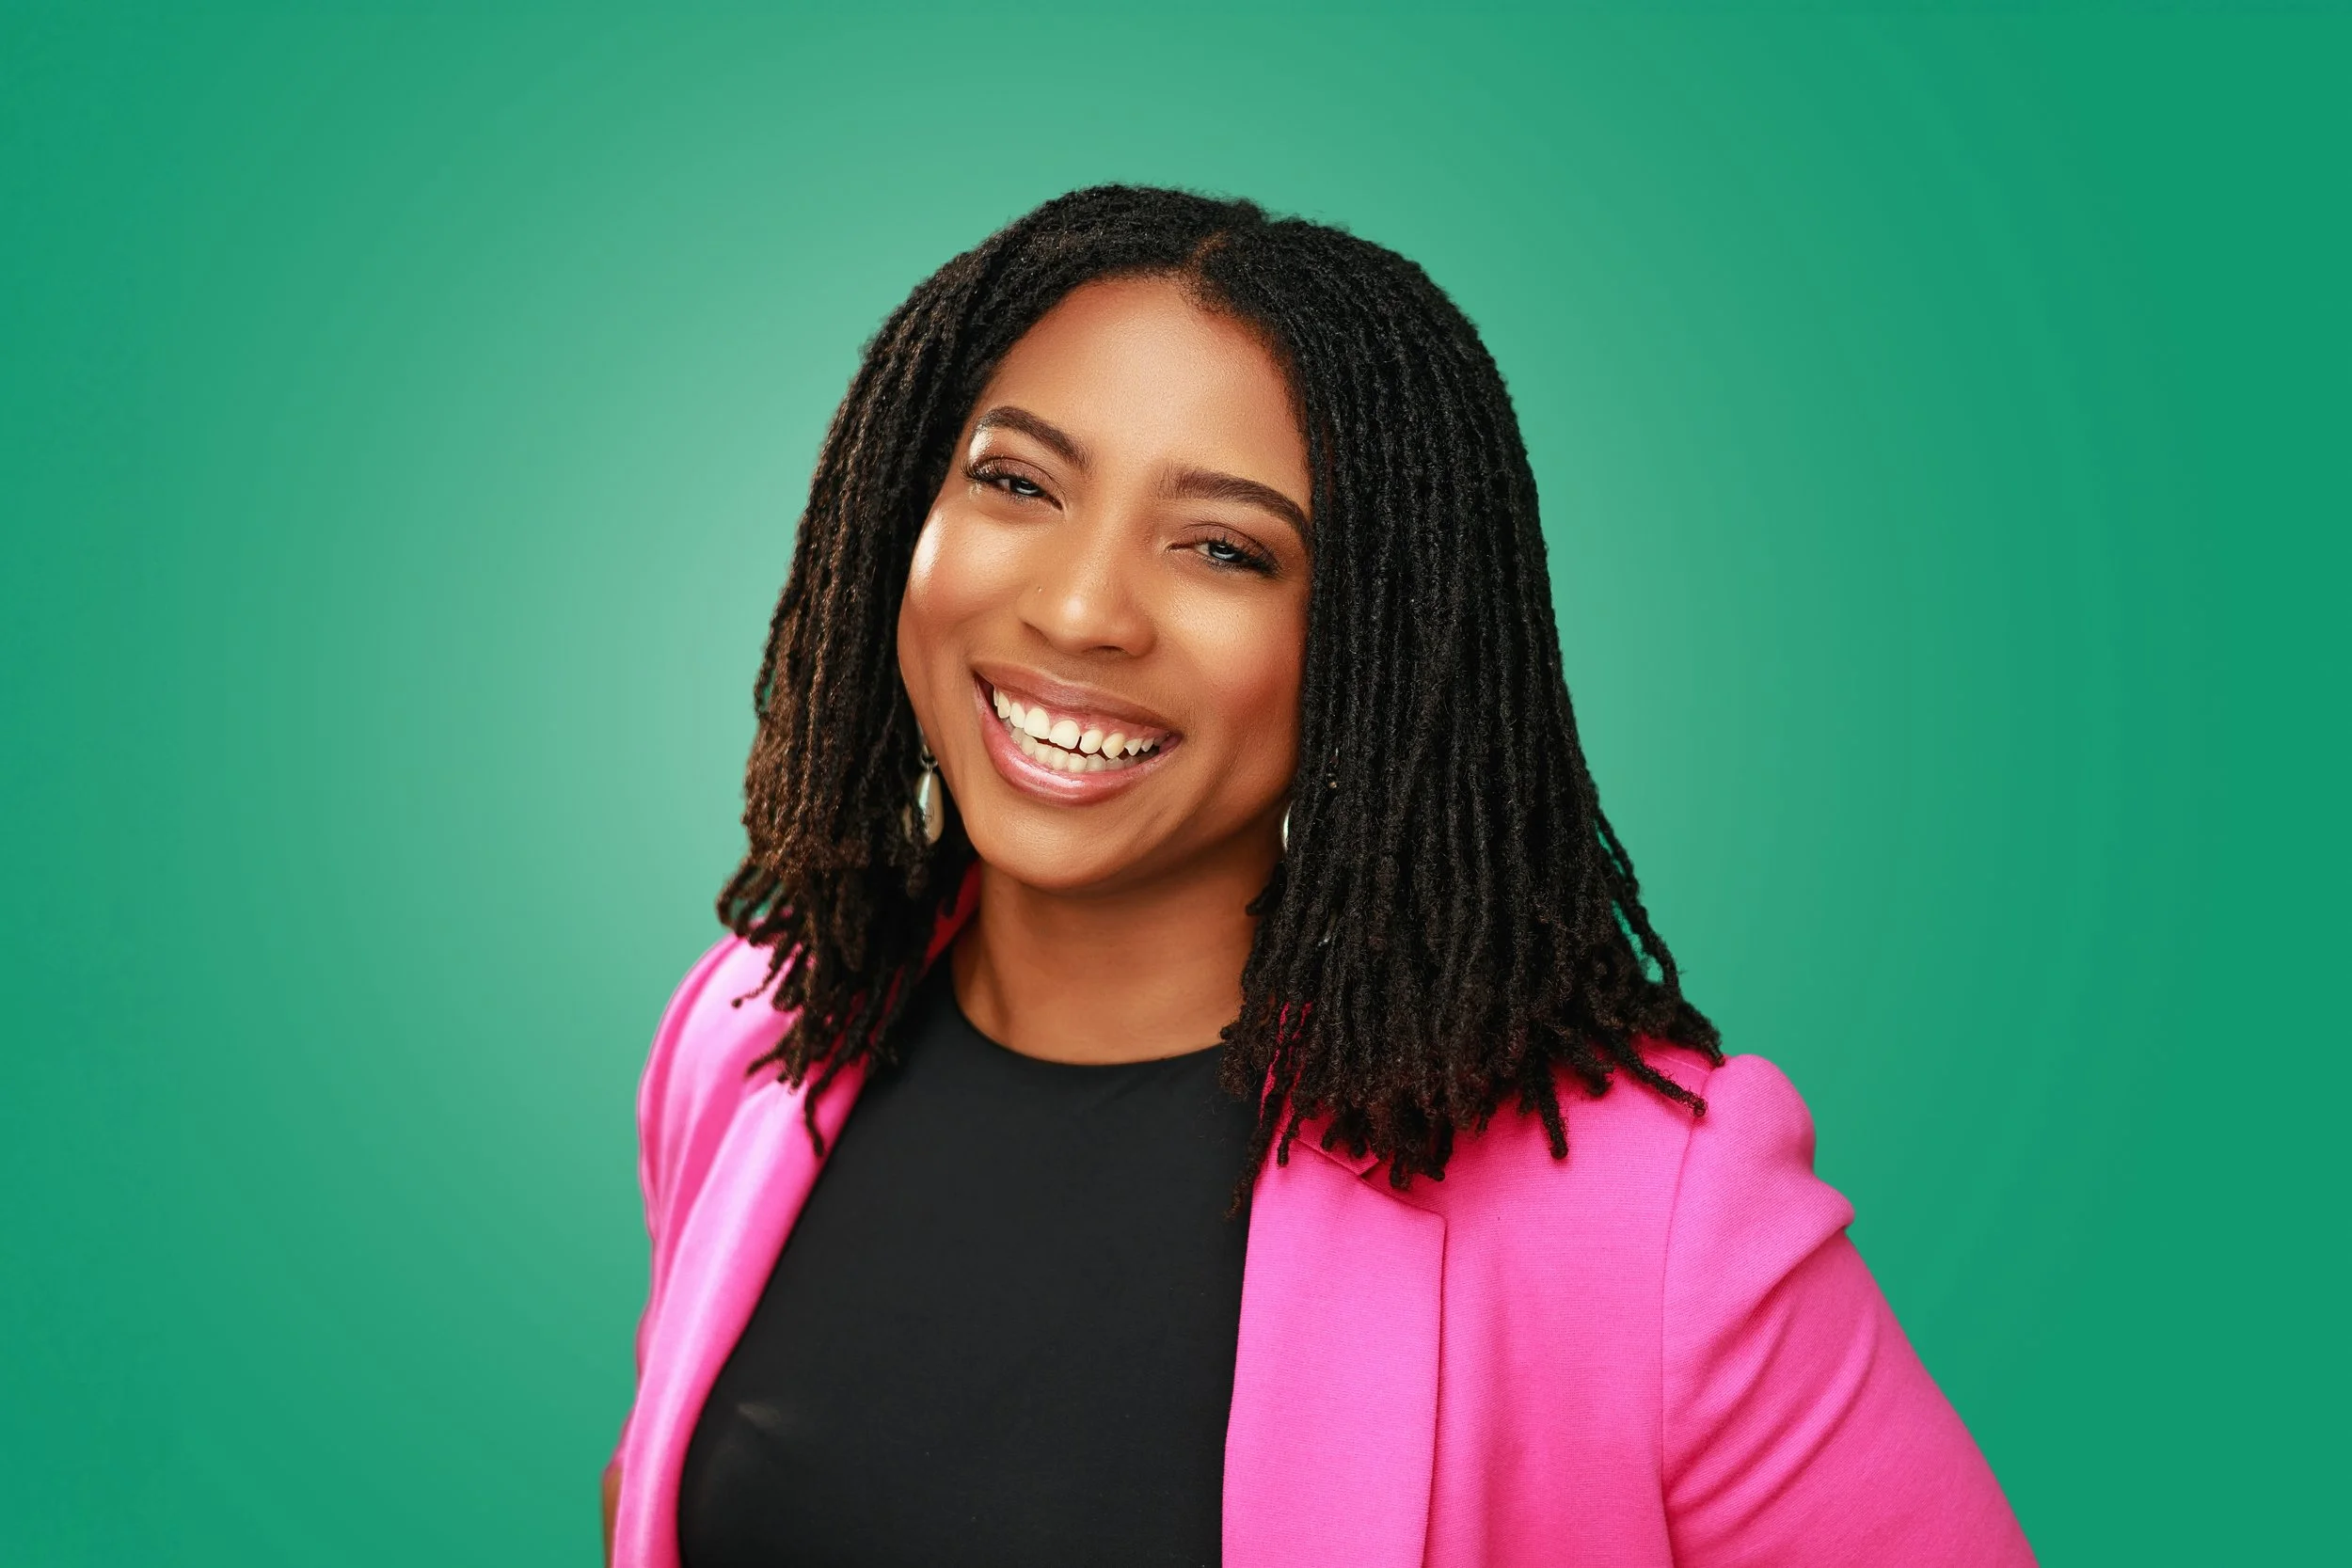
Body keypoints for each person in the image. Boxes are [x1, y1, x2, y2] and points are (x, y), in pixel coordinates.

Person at [603, 185, 2035, 1568]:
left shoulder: (1652, 1217)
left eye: (1226, 549)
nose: (1082, 610)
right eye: (1018, 482)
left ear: (1376, 646)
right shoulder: (747, 1033)